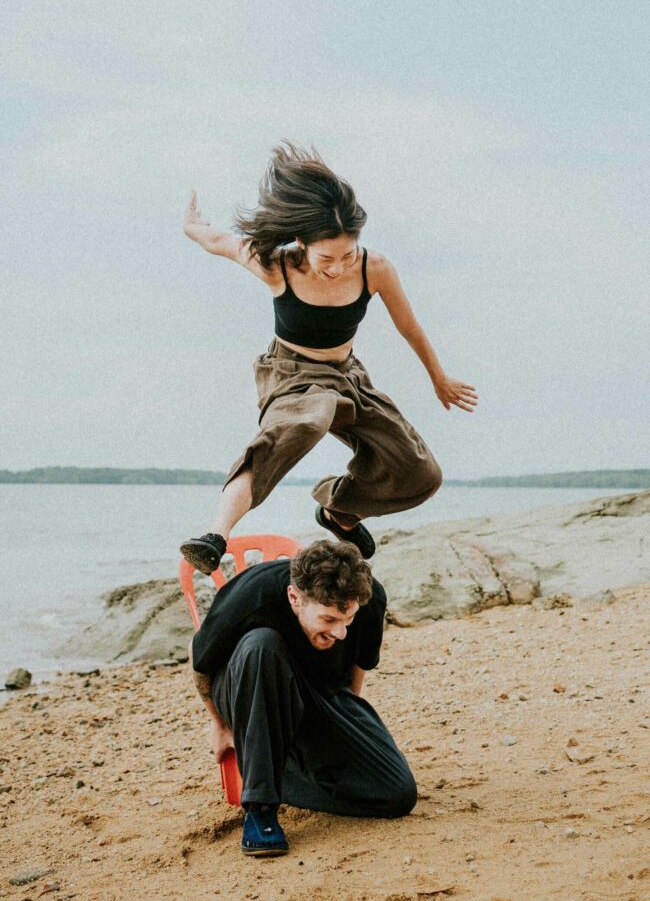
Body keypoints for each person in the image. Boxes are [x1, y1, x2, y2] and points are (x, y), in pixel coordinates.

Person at [180, 142, 478, 576]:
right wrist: (193, 226)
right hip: (292, 376)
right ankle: (214, 535)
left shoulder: (375, 268)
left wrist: (439, 378)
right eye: (326, 259)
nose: (337, 268)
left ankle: (338, 512)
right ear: (301, 243)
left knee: (420, 473)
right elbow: (219, 241)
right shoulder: (275, 265)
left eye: (346, 255)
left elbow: (409, 327)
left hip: (348, 376)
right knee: (303, 422)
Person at [189, 539, 417, 856]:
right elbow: (199, 660)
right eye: (328, 620)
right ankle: (260, 807)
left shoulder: (368, 598)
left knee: (396, 794)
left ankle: (269, 769)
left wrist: (342, 726)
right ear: (295, 598)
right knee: (262, 644)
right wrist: (219, 724)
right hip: (248, 689)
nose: (340, 633)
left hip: (317, 691)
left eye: (347, 619)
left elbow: (358, 666)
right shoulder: (253, 596)